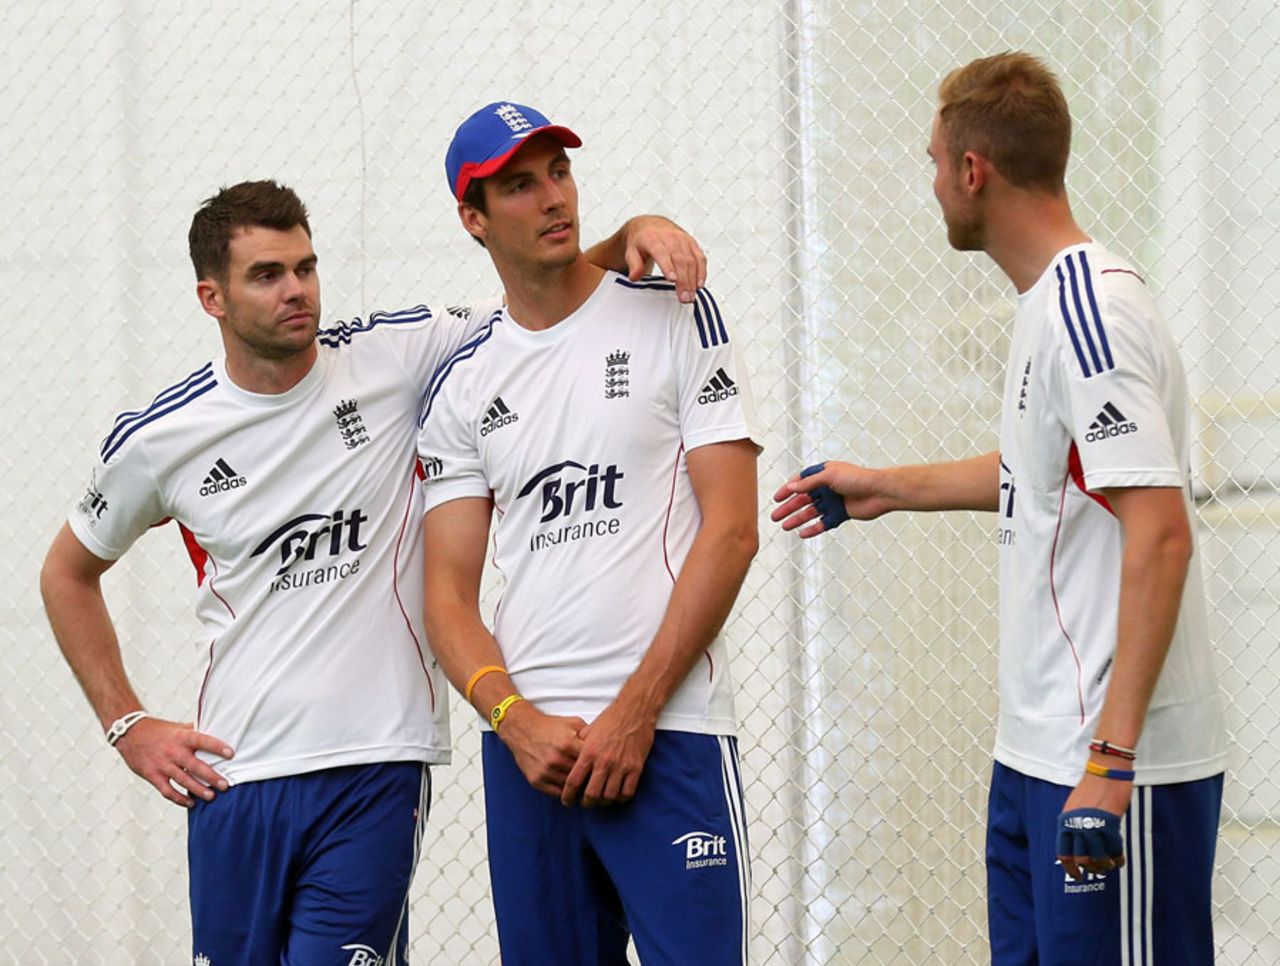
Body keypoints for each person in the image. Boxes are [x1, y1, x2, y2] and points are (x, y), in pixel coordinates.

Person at [38, 178, 710, 964]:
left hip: (375, 770)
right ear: (210, 298)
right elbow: (66, 574)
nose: (297, 291)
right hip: (233, 774)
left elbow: (538, 303)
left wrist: (631, 229)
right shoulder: (163, 436)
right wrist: (126, 725)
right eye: (267, 275)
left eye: (306, 267)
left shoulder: (397, 354)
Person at [771, 52, 1227, 965]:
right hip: (1035, 759)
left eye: (934, 162)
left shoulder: (1091, 313)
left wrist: (1109, 761)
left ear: (973, 170)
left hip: (1108, 771)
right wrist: (888, 489)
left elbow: (1162, 533)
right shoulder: (1044, 307)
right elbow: (1045, 472)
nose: (933, 183)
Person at [418, 102, 760, 964]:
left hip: (669, 732)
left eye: (559, 173)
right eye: (520, 186)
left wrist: (637, 710)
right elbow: (448, 599)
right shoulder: (462, 380)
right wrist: (514, 719)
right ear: (474, 218)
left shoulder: (675, 310)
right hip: (533, 757)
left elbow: (733, 531)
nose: (552, 199)